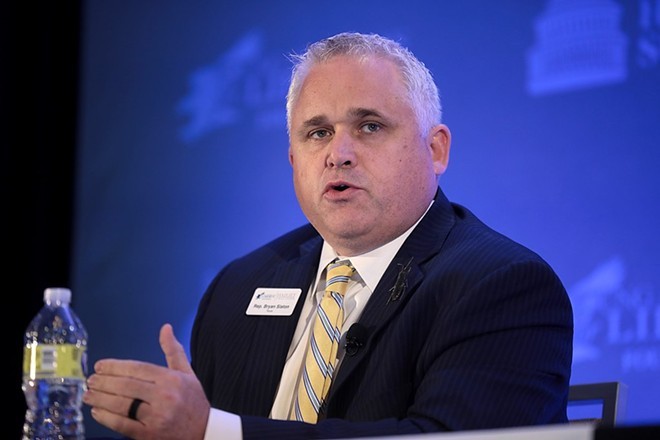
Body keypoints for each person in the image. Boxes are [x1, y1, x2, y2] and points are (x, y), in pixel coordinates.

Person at [83, 31, 573, 440]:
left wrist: (213, 431)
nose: (338, 153)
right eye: (317, 133)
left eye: (369, 126)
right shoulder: (238, 287)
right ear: (293, 160)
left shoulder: (502, 286)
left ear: (436, 150)